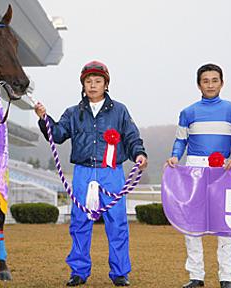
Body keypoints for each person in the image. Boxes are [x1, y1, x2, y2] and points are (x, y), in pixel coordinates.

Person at [35, 61, 148, 287]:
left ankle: (119, 273)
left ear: (106, 84)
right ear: (83, 85)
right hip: (83, 173)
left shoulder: (120, 111)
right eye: (89, 81)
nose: (93, 85)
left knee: (117, 223)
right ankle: (78, 271)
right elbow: (57, 134)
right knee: (79, 222)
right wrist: (43, 118)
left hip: (112, 172)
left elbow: (131, 136)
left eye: (98, 81)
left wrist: (139, 154)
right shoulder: (73, 112)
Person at [166, 64, 231, 288]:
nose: (210, 84)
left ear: (222, 83)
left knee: (225, 225)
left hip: (223, 169)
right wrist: (175, 156)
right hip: (193, 168)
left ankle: (226, 277)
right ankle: (196, 276)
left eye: (215, 80)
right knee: (192, 224)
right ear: (198, 84)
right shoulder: (188, 112)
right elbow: (180, 140)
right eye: (206, 80)